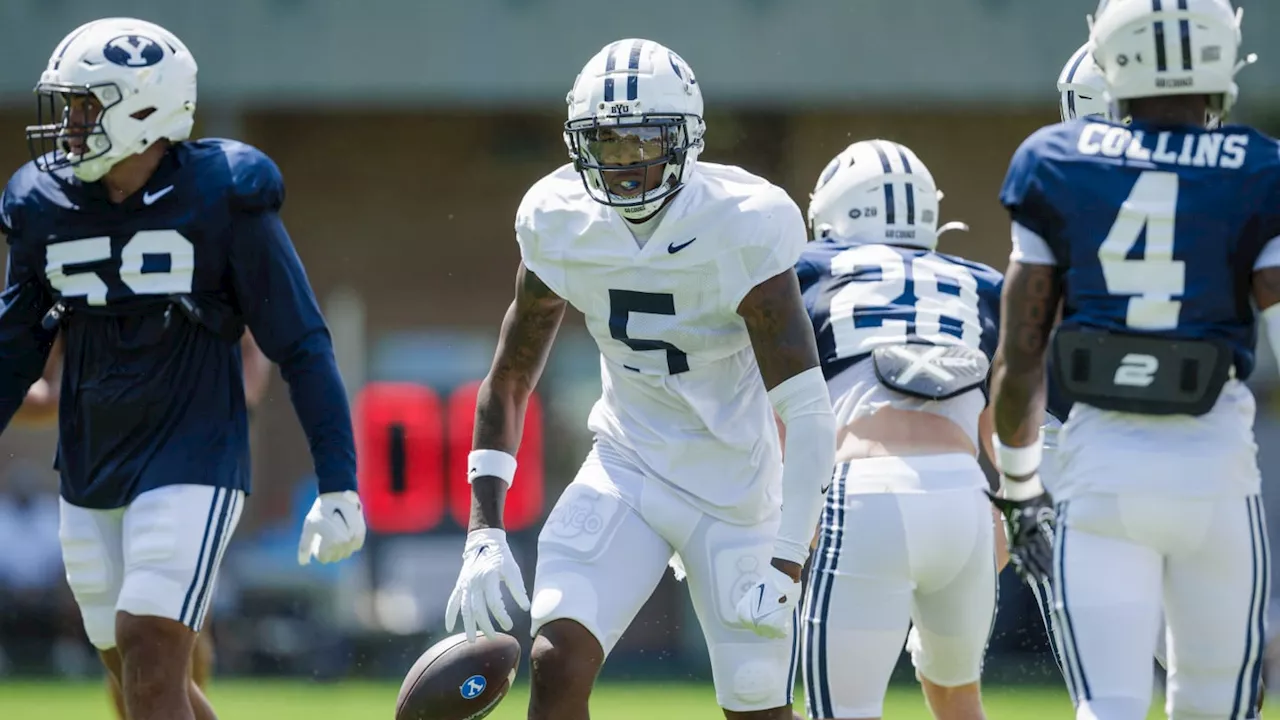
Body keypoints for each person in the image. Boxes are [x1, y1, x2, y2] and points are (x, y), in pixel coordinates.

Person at [444, 38, 836, 720]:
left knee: (755, 705)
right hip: (629, 463)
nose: (625, 165)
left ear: (688, 139)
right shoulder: (559, 218)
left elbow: (807, 412)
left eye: (642, 143)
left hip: (737, 489)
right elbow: (510, 378)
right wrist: (484, 530)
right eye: (607, 143)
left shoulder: (743, 223)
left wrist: (786, 559)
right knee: (555, 661)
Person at [0, 17, 367, 720]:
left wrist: (338, 482)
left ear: (145, 110)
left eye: (85, 106)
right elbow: (12, 351)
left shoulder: (224, 194)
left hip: (193, 449)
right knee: (129, 666)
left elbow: (303, 344)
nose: (69, 126)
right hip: (90, 459)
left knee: (148, 642)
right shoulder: (44, 205)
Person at [992, 1, 1274, 717]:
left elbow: (1021, 356)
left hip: (1103, 469)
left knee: (1109, 704)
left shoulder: (1055, 163)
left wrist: (1021, 488)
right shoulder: (1258, 168)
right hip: (1217, 472)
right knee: (1216, 702)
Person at [798, 139, 1004, 720]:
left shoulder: (810, 271)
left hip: (866, 495)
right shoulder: (981, 282)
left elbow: (773, 414)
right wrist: (1014, 506)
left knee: (845, 710)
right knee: (958, 697)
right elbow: (1005, 419)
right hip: (967, 500)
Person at [10, 329, 271, 718]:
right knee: (122, 645)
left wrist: (234, 406)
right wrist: (96, 396)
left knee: (175, 638)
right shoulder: (73, 281)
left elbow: (252, 348)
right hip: (101, 474)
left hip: (184, 467)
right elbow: (37, 383)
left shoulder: (193, 275)